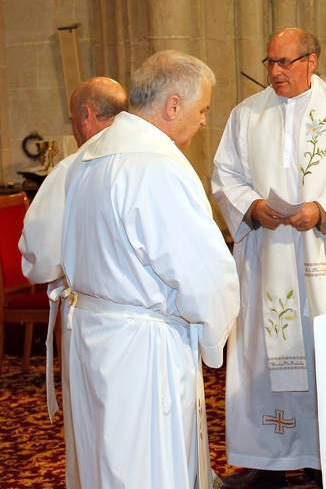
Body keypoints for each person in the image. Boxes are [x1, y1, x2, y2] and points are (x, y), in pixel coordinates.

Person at [212, 28, 326, 489]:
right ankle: (266, 460)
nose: (274, 71)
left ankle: (325, 460)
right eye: (269, 62)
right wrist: (250, 206)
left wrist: (324, 210)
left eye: (284, 62)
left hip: (323, 261)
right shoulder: (246, 114)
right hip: (267, 256)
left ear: (311, 61)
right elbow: (224, 175)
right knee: (262, 353)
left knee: (319, 349)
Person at [58, 51, 240, 488]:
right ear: (172, 105)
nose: (201, 123)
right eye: (201, 111)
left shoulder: (90, 154)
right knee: (145, 467)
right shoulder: (154, 164)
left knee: (105, 461)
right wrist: (215, 338)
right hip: (141, 350)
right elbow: (203, 273)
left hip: (91, 335)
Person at [18, 76, 128, 488]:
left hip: (95, 321)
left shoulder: (72, 168)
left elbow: (39, 253)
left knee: (98, 426)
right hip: (154, 327)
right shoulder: (158, 159)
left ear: (85, 115)